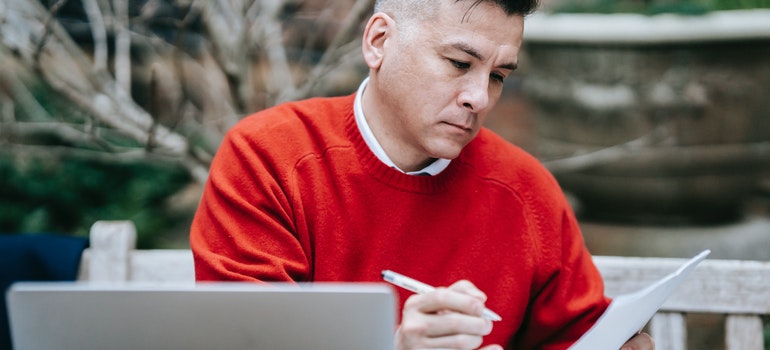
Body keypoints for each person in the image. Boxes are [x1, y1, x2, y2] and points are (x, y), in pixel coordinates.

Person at [190, 0, 655, 349]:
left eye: (498, 76)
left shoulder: (524, 189)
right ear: (379, 42)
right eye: (459, 64)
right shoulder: (270, 157)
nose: (479, 97)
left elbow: (580, 333)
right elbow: (245, 340)